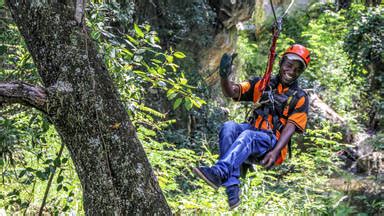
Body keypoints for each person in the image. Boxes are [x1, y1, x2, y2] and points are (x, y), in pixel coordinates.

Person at [193, 44, 310, 209]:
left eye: (297, 69)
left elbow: (291, 127)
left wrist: (276, 151)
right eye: (289, 65)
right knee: (229, 126)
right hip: (253, 133)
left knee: (249, 136)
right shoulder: (262, 84)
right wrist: (224, 77)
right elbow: (233, 92)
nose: (292, 71)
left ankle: (219, 172)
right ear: (281, 63)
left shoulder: (300, 97)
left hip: (272, 144)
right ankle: (232, 188)